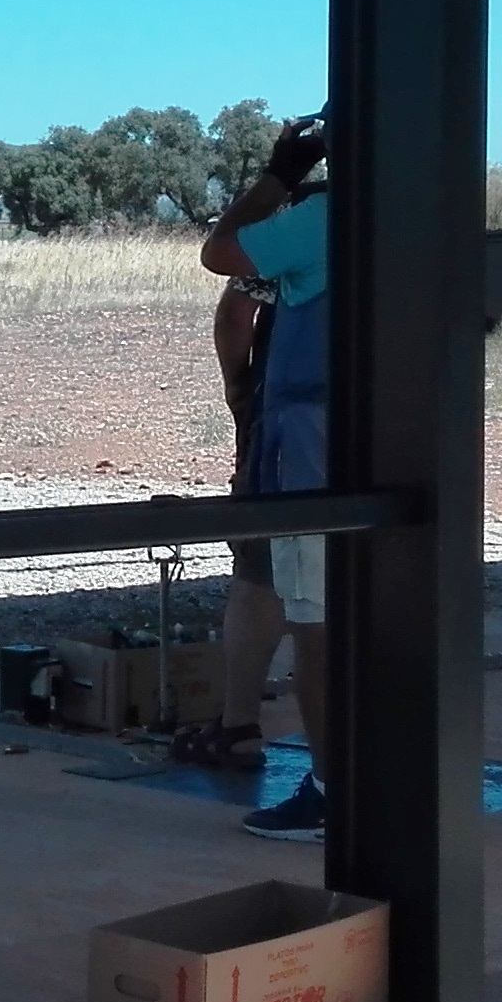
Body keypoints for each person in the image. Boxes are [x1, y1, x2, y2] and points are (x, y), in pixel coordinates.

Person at [200, 116, 338, 843]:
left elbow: (223, 264)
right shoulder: (427, 222)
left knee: (314, 621)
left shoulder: (315, 223)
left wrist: (278, 177)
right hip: (402, 440)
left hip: (309, 449)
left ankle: (330, 790)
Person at [210, 269, 291, 755]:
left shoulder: (293, 236)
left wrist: (239, 390)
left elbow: (236, 311)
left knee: (262, 568)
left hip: (287, 417)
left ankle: (239, 726)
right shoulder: (404, 242)